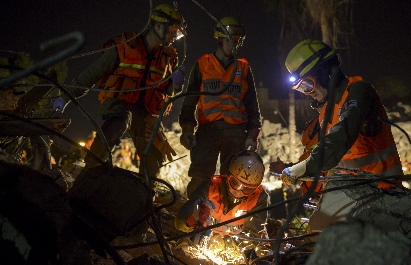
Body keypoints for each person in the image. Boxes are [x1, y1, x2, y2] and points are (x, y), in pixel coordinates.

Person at [52, 4, 186, 182]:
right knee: (119, 123)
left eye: (178, 34)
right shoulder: (124, 47)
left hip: (145, 113)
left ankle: (144, 193)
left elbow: (168, 91)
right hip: (119, 105)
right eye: (173, 31)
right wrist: (64, 98)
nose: (174, 37)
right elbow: (91, 75)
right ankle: (90, 172)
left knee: (155, 149)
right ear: (159, 26)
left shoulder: (169, 58)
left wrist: (177, 85)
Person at [281, 40, 404, 231]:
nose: (308, 93)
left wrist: (306, 167)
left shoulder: (359, 92)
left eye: (308, 84)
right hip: (351, 192)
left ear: (326, 73)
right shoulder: (326, 112)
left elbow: (342, 136)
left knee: (324, 236)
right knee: (315, 231)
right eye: (302, 89)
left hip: (382, 191)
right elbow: (335, 160)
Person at [178, 16, 261, 197]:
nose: (234, 45)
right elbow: (189, 101)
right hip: (208, 129)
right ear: (220, 38)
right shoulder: (203, 64)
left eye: (238, 42)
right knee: (200, 176)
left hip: (236, 132)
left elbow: (252, 106)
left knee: (231, 179)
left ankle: (224, 220)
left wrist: (252, 136)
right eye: (230, 40)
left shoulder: (244, 68)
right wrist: (187, 129)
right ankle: (194, 219)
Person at [174, 150, 268, 238]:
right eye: (235, 183)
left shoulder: (258, 198)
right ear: (227, 176)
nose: (239, 192)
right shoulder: (210, 188)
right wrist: (190, 221)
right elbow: (179, 223)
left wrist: (227, 244)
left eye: (247, 189)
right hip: (206, 243)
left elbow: (253, 236)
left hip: (238, 249)